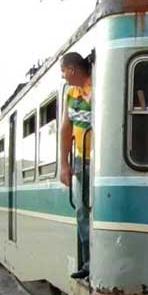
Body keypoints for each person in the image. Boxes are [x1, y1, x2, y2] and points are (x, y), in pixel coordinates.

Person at [59, 52, 92, 279]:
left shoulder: (98, 86)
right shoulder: (70, 93)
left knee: (99, 213)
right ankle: (89, 263)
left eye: (63, 72)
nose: (63, 77)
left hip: (102, 162)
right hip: (81, 160)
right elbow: (65, 128)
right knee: (81, 211)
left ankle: (100, 262)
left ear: (72, 69)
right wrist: (64, 163)